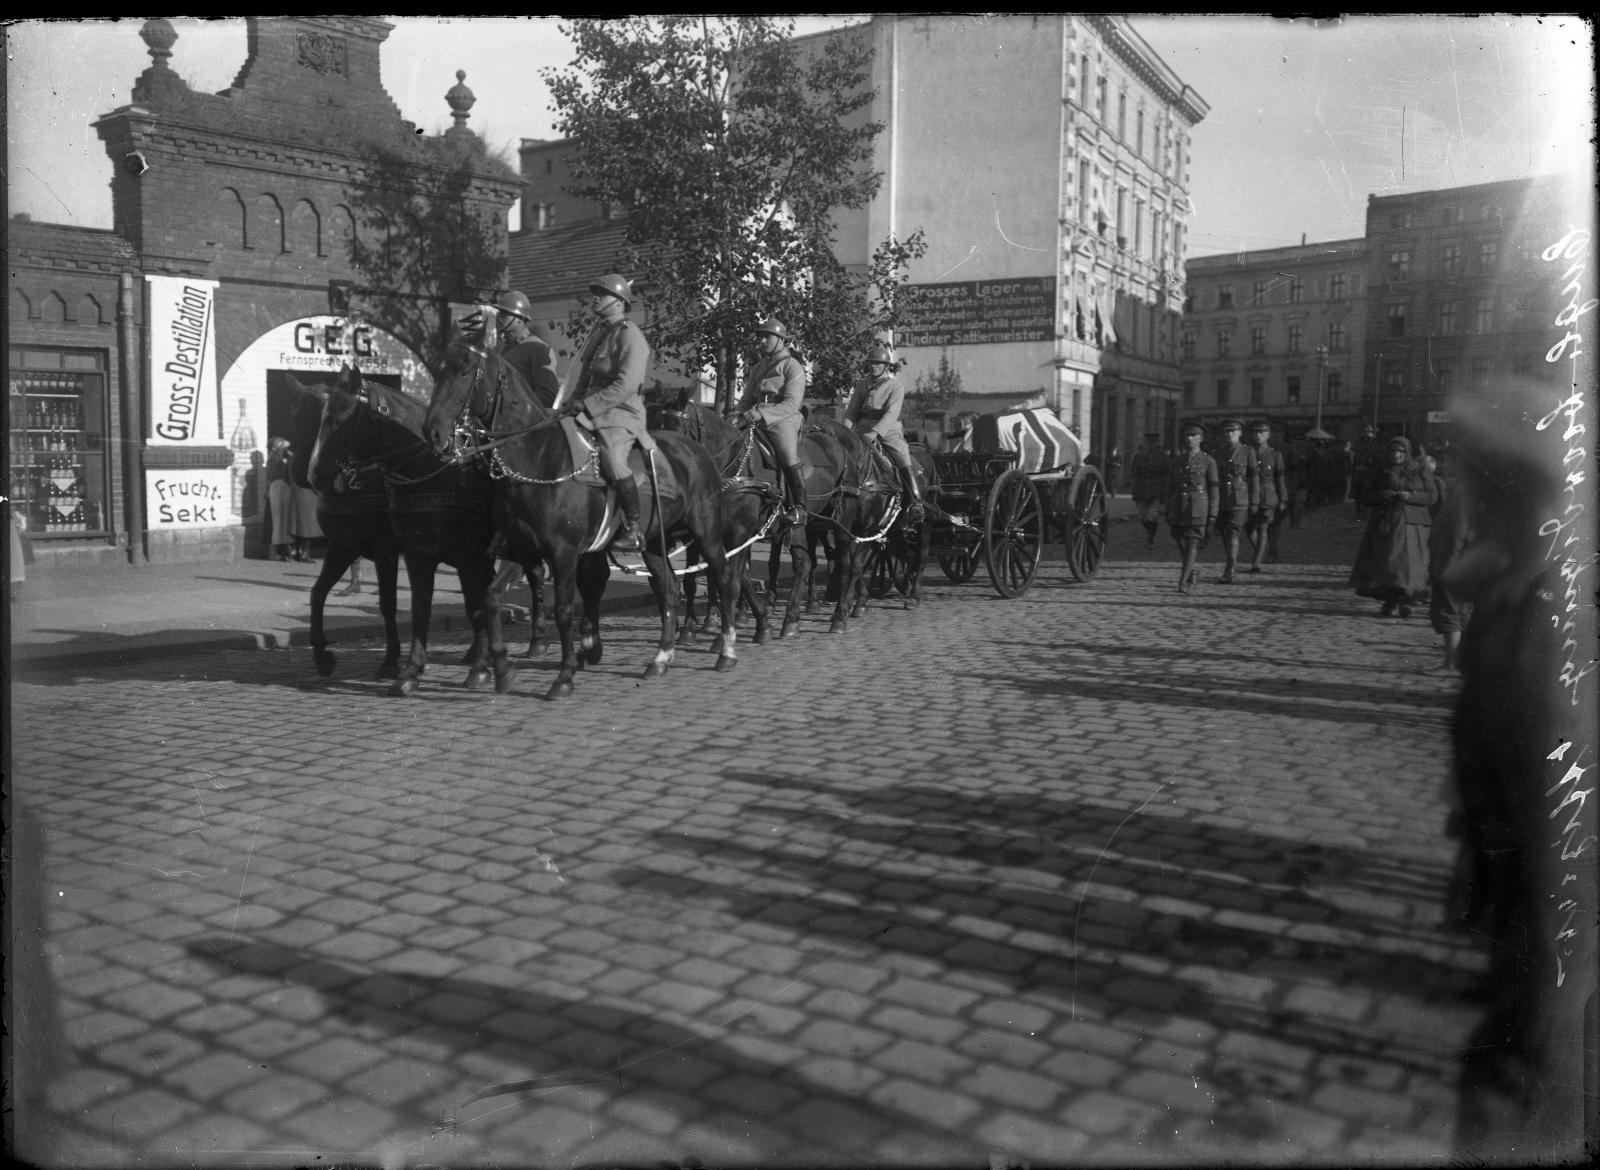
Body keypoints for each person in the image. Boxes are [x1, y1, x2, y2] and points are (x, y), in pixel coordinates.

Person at [555, 273, 650, 552]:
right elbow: (584, 378)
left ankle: (634, 528)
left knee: (612, 458)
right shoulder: (600, 334)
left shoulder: (630, 334)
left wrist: (588, 404)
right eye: (596, 293)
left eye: (603, 294)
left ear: (620, 302)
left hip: (621, 411)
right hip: (590, 408)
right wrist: (571, 402)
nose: (596, 298)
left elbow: (627, 384)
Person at [1348, 434, 1439, 617]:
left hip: (1414, 526)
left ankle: (1407, 599)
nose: (1396, 454)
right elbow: (1365, 497)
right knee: (1389, 564)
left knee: (1410, 566)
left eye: (1401, 451)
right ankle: (1390, 599)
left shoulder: (1420, 470)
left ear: (1407, 452)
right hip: (1387, 523)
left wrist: (1411, 497)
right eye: (1393, 451)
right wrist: (1382, 495)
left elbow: (1432, 497)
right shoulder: (1380, 470)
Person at [732, 316, 810, 524]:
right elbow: (746, 399)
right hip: (755, 415)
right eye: (761, 337)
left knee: (786, 454)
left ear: (781, 340)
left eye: (767, 337)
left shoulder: (792, 366)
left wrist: (762, 414)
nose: (762, 341)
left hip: (782, 418)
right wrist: (735, 415)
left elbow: (792, 404)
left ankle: (799, 507)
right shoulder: (758, 367)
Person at [844, 343, 925, 518]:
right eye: (871, 363)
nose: (874, 366)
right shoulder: (861, 386)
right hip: (861, 429)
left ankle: (915, 500)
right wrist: (844, 433)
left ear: (886, 367)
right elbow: (851, 411)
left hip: (887, 430)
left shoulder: (895, 387)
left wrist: (875, 433)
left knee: (901, 452)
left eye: (878, 364)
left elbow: (892, 413)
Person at [1166, 420, 1217, 594]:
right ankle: (1191, 571)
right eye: (1187, 435)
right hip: (1179, 506)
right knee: (1180, 541)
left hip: (1198, 508)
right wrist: (1167, 508)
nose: (1189, 439)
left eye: (1193, 435)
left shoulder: (1208, 461)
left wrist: (1213, 513)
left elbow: (1214, 489)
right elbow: (1170, 486)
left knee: (1191, 543)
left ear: (1200, 438)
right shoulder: (1177, 461)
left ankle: (1182, 582)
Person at [1213, 418, 1257, 583]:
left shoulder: (1248, 451)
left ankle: (1230, 568)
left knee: (1233, 531)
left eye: (1233, 431)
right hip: (1223, 498)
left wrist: (1254, 501)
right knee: (1225, 533)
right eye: (1226, 431)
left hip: (1240, 499)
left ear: (1240, 433)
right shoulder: (1218, 452)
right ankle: (1231, 562)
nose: (1229, 434)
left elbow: (1254, 478)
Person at [1244, 419, 1287, 572]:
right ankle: (1261, 550)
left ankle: (1256, 562)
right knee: (1248, 527)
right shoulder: (1247, 452)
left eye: (1262, 432)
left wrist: (1283, 499)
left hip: (1268, 495)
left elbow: (1280, 478)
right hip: (1249, 494)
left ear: (1268, 435)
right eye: (1255, 432)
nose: (1258, 435)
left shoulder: (1275, 455)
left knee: (1263, 527)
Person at [1129, 431, 1170, 550]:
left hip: (1157, 490)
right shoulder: (1140, 457)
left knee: (1151, 516)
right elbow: (1135, 474)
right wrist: (1134, 491)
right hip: (1142, 490)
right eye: (1149, 443)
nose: (1151, 445)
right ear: (1146, 443)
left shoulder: (1163, 457)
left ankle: (1150, 538)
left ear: (1157, 443)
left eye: (1153, 443)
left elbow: (1167, 475)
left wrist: (1165, 492)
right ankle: (1150, 534)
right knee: (1142, 517)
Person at [266, 436, 295, 561]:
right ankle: (277, 552)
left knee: (283, 521)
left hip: (282, 488)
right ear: (274, 448)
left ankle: (284, 552)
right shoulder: (273, 458)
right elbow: (273, 474)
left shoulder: (281, 458)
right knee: (278, 521)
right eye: (279, 445)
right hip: (278, 487)